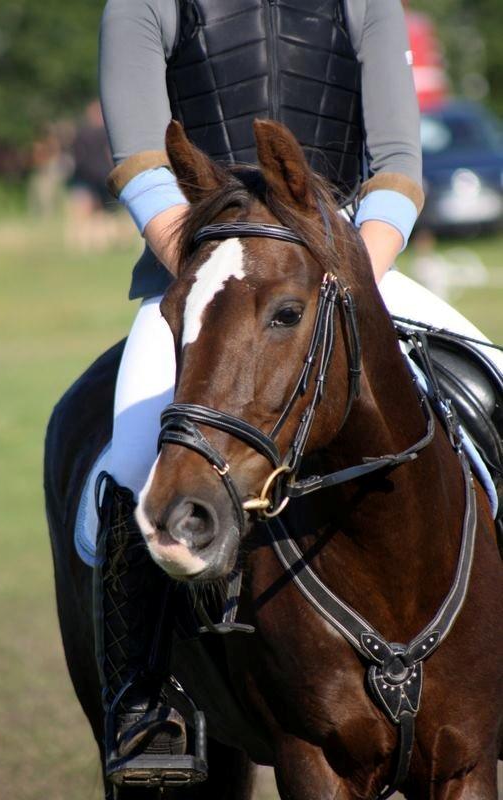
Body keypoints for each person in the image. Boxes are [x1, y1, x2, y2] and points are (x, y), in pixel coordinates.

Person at [95, 0, 501, 786]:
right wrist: (225, 263)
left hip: (346, 267)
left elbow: (396, 165)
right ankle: (150, 702)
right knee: (128, 458)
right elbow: (142, 161)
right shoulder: (143, 5)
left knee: (494, 392)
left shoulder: (366, 5)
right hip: (204, 273)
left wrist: (340, 269)